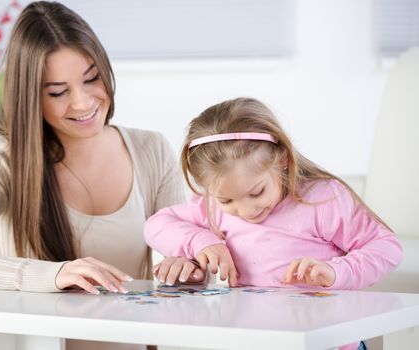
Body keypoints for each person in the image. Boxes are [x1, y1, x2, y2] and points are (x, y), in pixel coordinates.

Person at [0, 2, 201, 349]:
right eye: (58, 92)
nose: (83, 102)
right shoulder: (5, 157)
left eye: (91, 79)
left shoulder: (151, 149)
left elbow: (186, 258)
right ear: (30, 96)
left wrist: (189, 268)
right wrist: (54, 275)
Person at [144, 97, 403, 349]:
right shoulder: (211, 207)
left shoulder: (322, 199)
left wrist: (337, 272)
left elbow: (387, 247)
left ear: (282, 161)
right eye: (227, 200)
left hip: (329, 343)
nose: (246, 210)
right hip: (257, 342)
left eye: (256, 192)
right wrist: (201, 241)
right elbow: (155, 225)